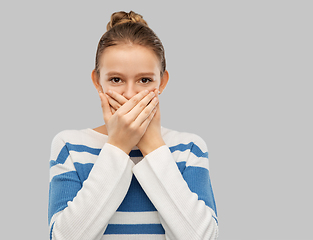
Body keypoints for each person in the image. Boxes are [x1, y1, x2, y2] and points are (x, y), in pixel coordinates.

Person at [48, 11, 218, 240]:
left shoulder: (189, 149)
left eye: (145, 80)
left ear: (163, 82)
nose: (129, 94)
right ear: (98, 82)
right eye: (116, 80)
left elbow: (203, 237)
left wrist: (154, 147)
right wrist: (118, 146)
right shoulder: (69, 145)